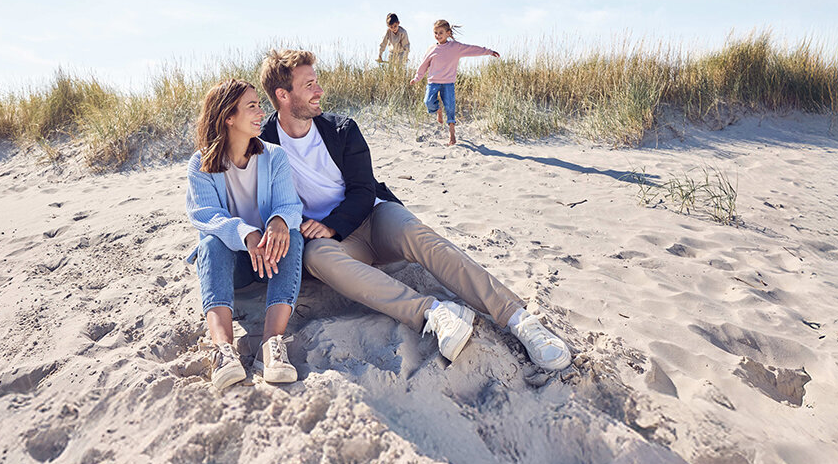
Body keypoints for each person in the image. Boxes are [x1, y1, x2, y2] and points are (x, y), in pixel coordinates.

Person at [257, 48, 576, 372]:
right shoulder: (262, 144)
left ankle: (518, 318)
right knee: (315, 257)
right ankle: (434, 314)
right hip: (337, 247)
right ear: (283, 95)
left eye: (317, 82)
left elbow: (364, 191)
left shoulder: (342, 129)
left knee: (418, 234)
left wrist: (331, 225)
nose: (319, 90)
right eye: (309, 84)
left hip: (373, 218)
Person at [184, 78, 304, 392]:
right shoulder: (201, 164)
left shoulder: (274, 156)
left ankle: (271, 345)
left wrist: (279, 220)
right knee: (209, 243)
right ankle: (223, 350)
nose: (261, 112)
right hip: (231, 269)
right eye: (252, 106)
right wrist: (247, 234)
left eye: (259, 105)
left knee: (293, 235)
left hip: (271, 261)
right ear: (229, 117)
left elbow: (290, 205)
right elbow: (206, 217)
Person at [413, 19, 499, 147]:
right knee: (428, 102)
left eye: (440, 32)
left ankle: (452, 135)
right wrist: (417, 77)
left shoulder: (455, 47)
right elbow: (424, 64)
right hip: (433, 82)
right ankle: (438, 110)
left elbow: (472, 49)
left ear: (448, 33)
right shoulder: (432, 49)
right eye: (435, 33)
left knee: (450, 107)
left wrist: (488, 51)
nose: (438, 35)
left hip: (448, 83)